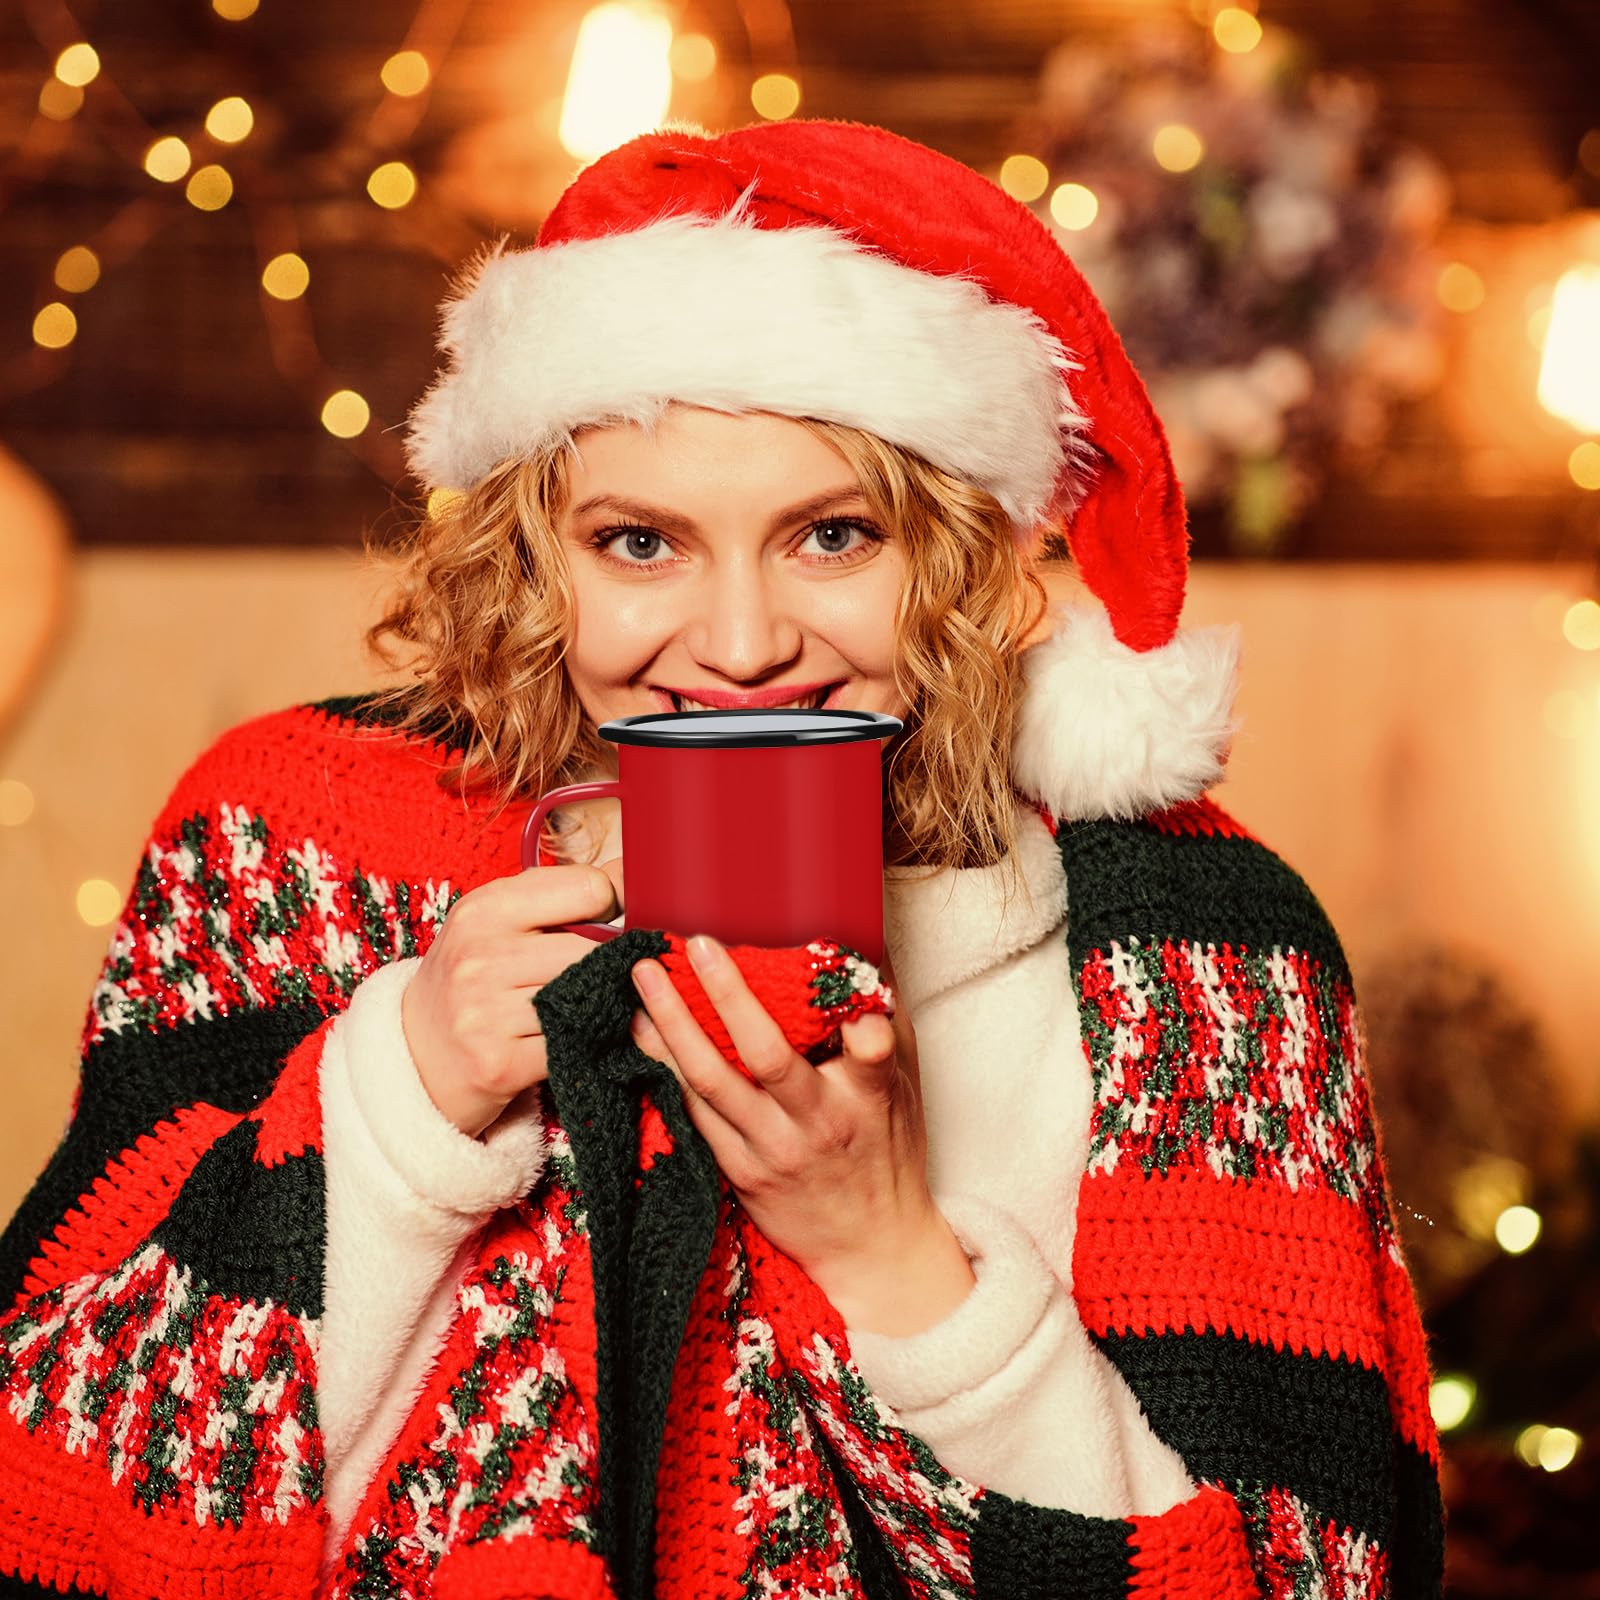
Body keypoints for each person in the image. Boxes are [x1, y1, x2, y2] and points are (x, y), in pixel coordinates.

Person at [0, 118, 1444, 1600]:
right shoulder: (289, 843)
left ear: (954, 560)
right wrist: (400, 1106)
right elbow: (62, 1496)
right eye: (640, 543)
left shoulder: (1191, 947)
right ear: (527, 558)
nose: (744, 647)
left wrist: (888, 1254)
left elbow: (1296, 1581)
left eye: (833, 536)